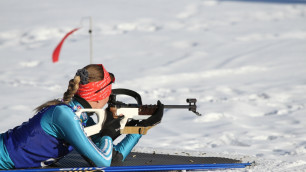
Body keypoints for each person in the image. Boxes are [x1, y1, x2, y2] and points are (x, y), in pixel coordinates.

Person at [0, 64, 164, 169]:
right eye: (109, 92)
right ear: (100, 95)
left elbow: (113, 159)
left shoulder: (85, 118)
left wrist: (139, 128)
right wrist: (108, 132)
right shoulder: (64, 115)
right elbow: (103, 163)